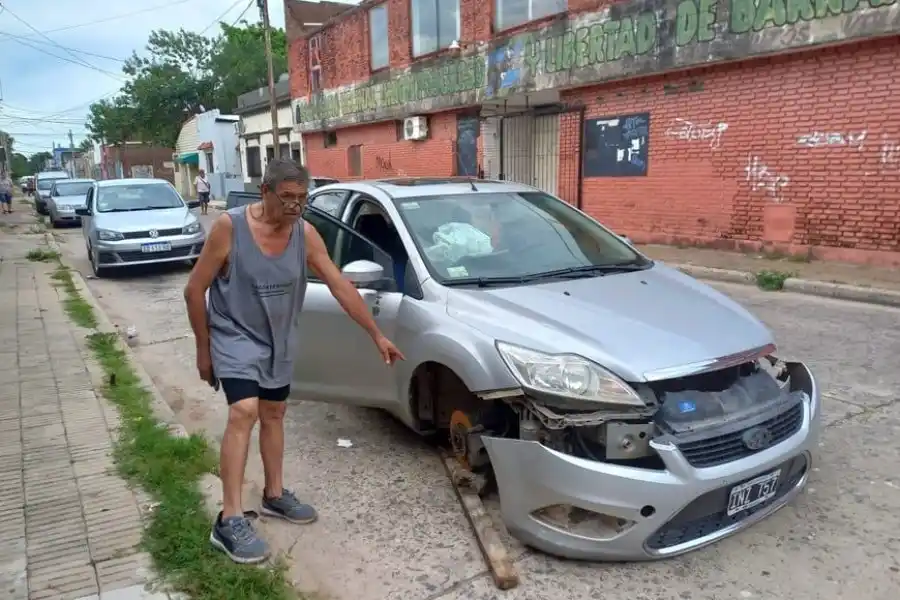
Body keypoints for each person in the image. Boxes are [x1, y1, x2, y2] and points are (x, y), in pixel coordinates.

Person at [183, 159, 404, 564]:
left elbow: (339, 284)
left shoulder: (305, 233)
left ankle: (274, 494)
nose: (296, 206)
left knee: (274, 412)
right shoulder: (229, 229)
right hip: (234, 335)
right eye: (287, 198)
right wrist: (204, 348)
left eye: (302, 198)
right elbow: (194, 290)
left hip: (278, 339)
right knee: (243, 411)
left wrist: (377, 334)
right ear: (264, 192)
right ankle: (229, 518)